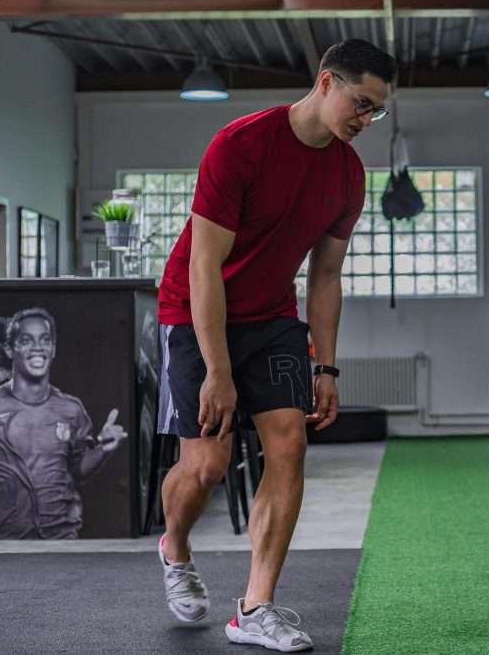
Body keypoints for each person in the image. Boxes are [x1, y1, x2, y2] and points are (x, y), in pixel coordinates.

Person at [155, 39, 396, 652]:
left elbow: (325, 276)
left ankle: (255, 607)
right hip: (195, 310)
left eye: (376, 112)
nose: (365, 121)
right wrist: (217, 370)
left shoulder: (348, 175)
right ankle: (174, 545)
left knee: (288, 443)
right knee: (206, 464)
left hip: (271, 319)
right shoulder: (241, 145)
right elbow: (205, 266)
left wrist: (329, 365)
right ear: (325, 82)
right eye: (360, 104)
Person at [0, 308, 126, 540]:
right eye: (26, 340)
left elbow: (78, 470)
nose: (37, 347)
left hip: (60, 538)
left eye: (45, 340)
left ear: (53, 349)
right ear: (9, 349)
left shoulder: (71, 409)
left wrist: (103, 449)